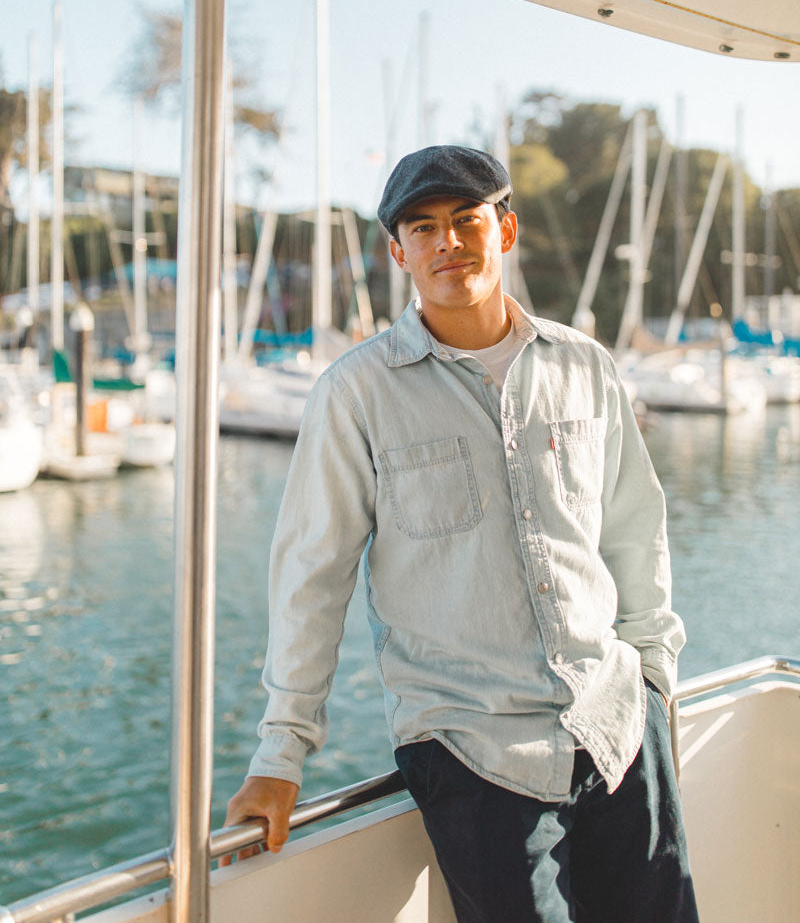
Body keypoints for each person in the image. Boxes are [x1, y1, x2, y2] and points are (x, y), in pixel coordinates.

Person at [224, 144, 699, 923]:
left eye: (466, 220)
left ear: (504, 230)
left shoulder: (585, 366)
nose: (448, 242)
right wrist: (282, 754)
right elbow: (313, 576)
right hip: (472, 751)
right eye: (424, 227)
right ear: (397, 252)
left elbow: (634, 531)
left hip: (617, 725)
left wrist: (653, 681)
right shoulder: (356, 394)